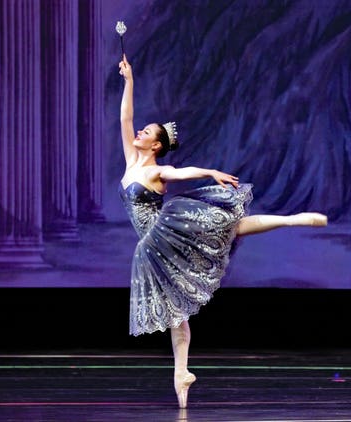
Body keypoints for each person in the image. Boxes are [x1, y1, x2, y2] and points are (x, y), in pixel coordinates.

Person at [117, 54, 328, 408]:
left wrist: (210, 172)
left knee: (232, 226)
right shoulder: (130, 161)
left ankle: (294, 220)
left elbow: (182, 172)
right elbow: (125, 117)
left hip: (166, 233)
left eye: (147, 132)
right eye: (143, 130)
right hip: (152, 249)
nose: (139, 132)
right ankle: (181, 374)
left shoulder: (157, 171)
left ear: (156, 146)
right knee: (176, 311)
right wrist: (129, 81)